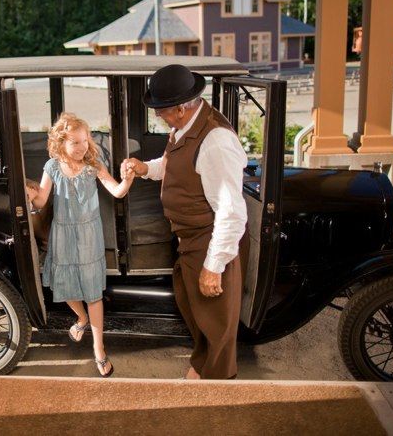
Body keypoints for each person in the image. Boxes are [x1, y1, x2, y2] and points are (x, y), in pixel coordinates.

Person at [121, 64, 248, 380]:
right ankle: (203, 366)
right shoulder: (187, 125)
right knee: (198, 310)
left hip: (208, 239)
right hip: (190, 238)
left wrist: (214, 265)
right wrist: (145, 168)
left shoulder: (215, 141)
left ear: (179, 108)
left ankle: (216, 388)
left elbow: (231, 211)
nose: (158, 116)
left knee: (217, 322)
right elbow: (175, 165)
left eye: (160, 110)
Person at [28, 113, 135, 377]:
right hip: (63, 234)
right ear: (60, 143)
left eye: (85, 140)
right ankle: (82, 318)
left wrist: (129, 178)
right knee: (65, 286)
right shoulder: (51, 167)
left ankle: (99, 349)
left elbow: (117, 191)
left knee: (93, 294)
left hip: (89, 235)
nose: (82, 147)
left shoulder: (93, 166)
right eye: (75, 142)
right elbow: (40, 202)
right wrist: (26, 192)